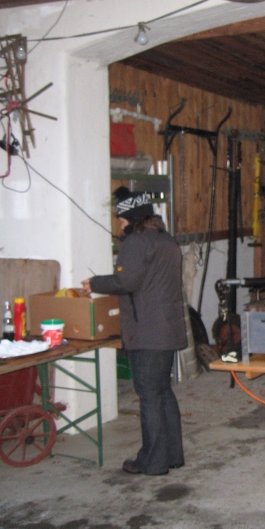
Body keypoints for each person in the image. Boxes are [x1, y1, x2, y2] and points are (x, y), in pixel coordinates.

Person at [82, 187, 186, 476]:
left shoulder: (136, 243)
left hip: (148, 332)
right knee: (162, 391)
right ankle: (172, 455)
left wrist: (94, 283)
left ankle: (153, 461)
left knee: (149, 395)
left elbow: (126, 281)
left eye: (121, 220)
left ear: (131, 217)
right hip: (167, 329)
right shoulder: (166, 240)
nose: (119, 226)